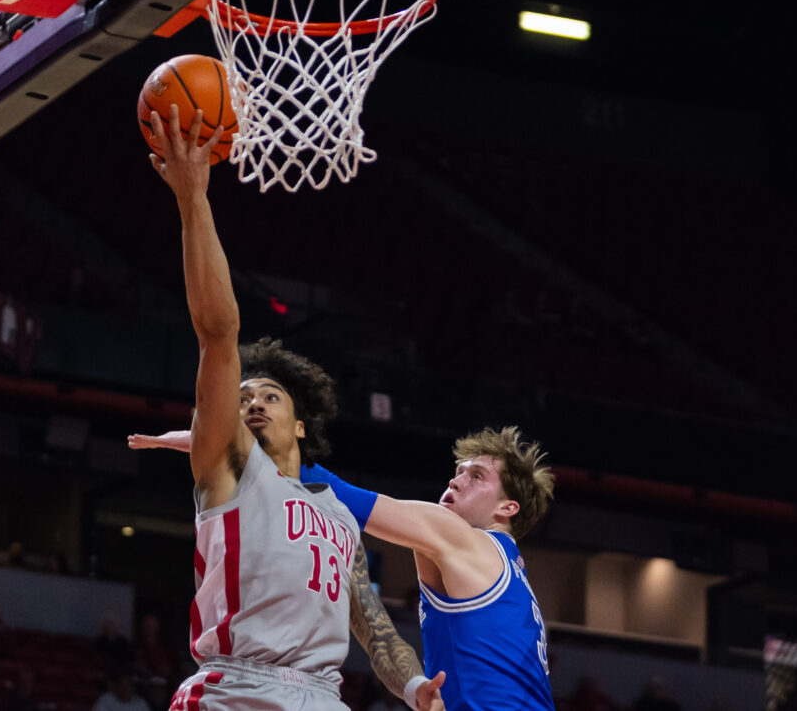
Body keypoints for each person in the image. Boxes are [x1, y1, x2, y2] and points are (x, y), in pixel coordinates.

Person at [137, 105, 443, 711]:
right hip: (238, 688)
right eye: (243, 395)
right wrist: (193, 199)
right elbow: (218, 332)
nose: (251, 402)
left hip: (324, 696)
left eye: (269, 395)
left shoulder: (338, 517)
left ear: (301, 422)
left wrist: (415, 688)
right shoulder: (228, 465)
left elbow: (372, 623)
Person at [130, 426, 555, 711]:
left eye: (476, 476)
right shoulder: (514, 575)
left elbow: (345, 495)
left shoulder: (461, 537)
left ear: (507, 508)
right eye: (457, 471)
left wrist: (220, 441)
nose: (456, 480)